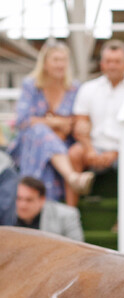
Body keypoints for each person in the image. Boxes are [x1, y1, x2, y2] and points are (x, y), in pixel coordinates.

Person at [8, 39, 93, 206]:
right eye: (56, 60)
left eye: (63, 60)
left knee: (43, 139)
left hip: (63, 142)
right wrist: (55, 123)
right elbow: (23, 120)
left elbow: (73, 122)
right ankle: (72, 177)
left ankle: (37, 207)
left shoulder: (74, 87)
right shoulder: (31, 85)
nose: (60, 64)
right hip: (28, 143)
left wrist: (53, 123)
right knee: (39, 133)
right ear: (45, 63)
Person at [69, 40, 124, 198]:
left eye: (117, 61)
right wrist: (89, 150)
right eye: (108, 61)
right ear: (102, 64)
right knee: (74, 153)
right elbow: (80, 123)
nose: (112, 66)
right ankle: (71, 212)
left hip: (123, 148)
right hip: (94, 147)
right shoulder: (88, 89)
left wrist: (114, 153)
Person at [15, 176, 83, 241]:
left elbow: (78, 249)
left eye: (29, 200)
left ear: (42, 200)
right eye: (18, 198)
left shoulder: (67, 215)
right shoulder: (6, 214)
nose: (22, 205)